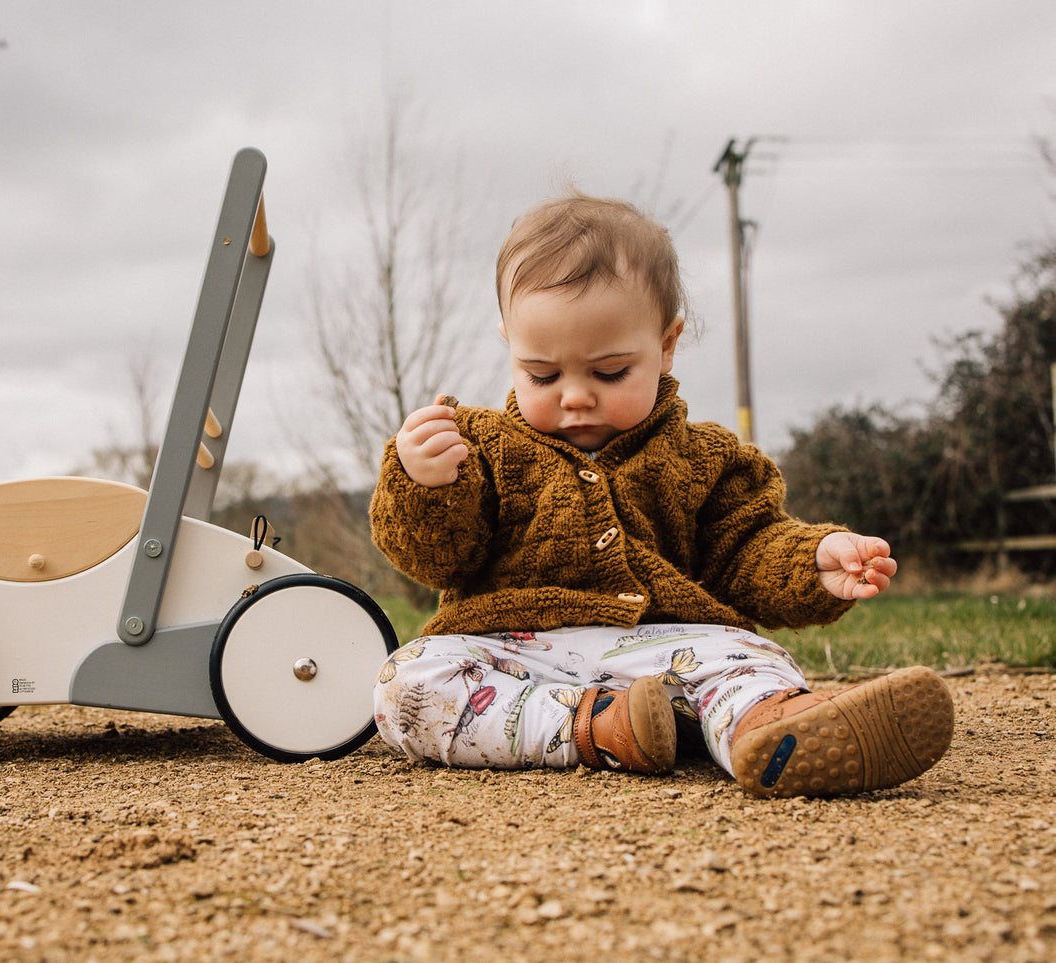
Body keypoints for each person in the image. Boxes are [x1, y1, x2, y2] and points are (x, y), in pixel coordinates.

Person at [368, 189, 954, 798]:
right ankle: (600, 728)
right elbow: (436, 560)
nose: (574, 395)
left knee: (749, 660)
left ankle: (774, 729)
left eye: (609, 371)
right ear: (510, 344)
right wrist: (424, 484)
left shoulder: (704, 456)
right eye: (542, 374)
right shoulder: (479, 447)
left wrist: (812, 560)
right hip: (519, 655)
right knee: (408, 680)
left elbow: (745, 549)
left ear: (667, 344)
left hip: (672, 646)